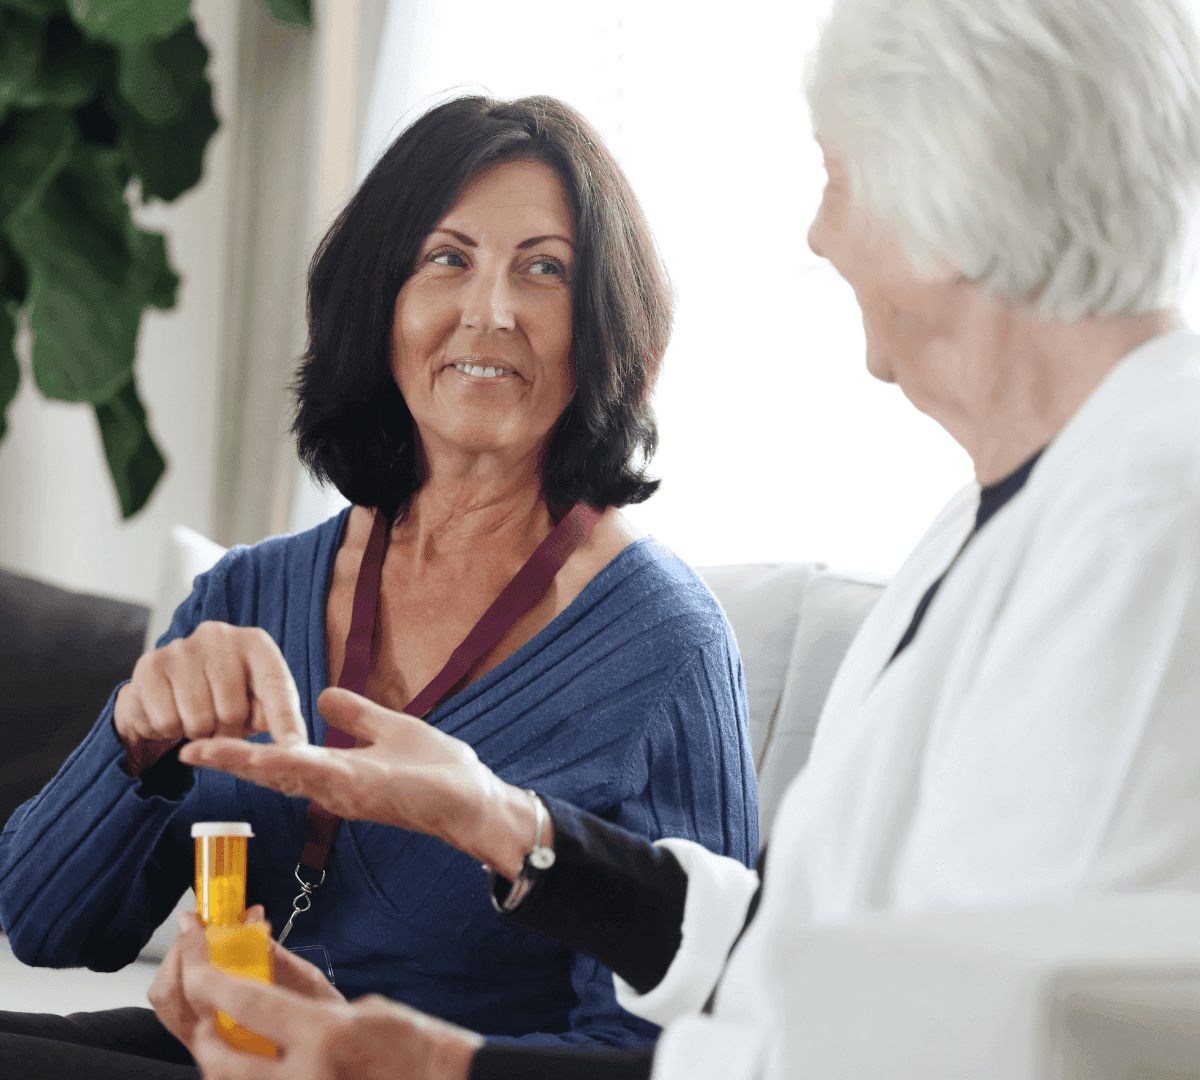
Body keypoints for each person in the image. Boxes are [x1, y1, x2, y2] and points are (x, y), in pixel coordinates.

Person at [161, 0, 1200, 1077]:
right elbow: (807, 953)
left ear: (955, 190)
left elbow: (949, 1048)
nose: (820, 235)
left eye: (837, 175)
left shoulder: (1147, 544)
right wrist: (512, 826)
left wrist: (434, 1068)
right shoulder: (1005, 514)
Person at [0, 96, 760, 1078]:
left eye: (545, 268)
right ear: (381, 301)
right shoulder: (248, 592)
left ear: (603, 325)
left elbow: (656, 1051)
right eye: (448, 259)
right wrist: (132, 742)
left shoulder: (666, 650)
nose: (491, 309)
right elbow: (45, 927)